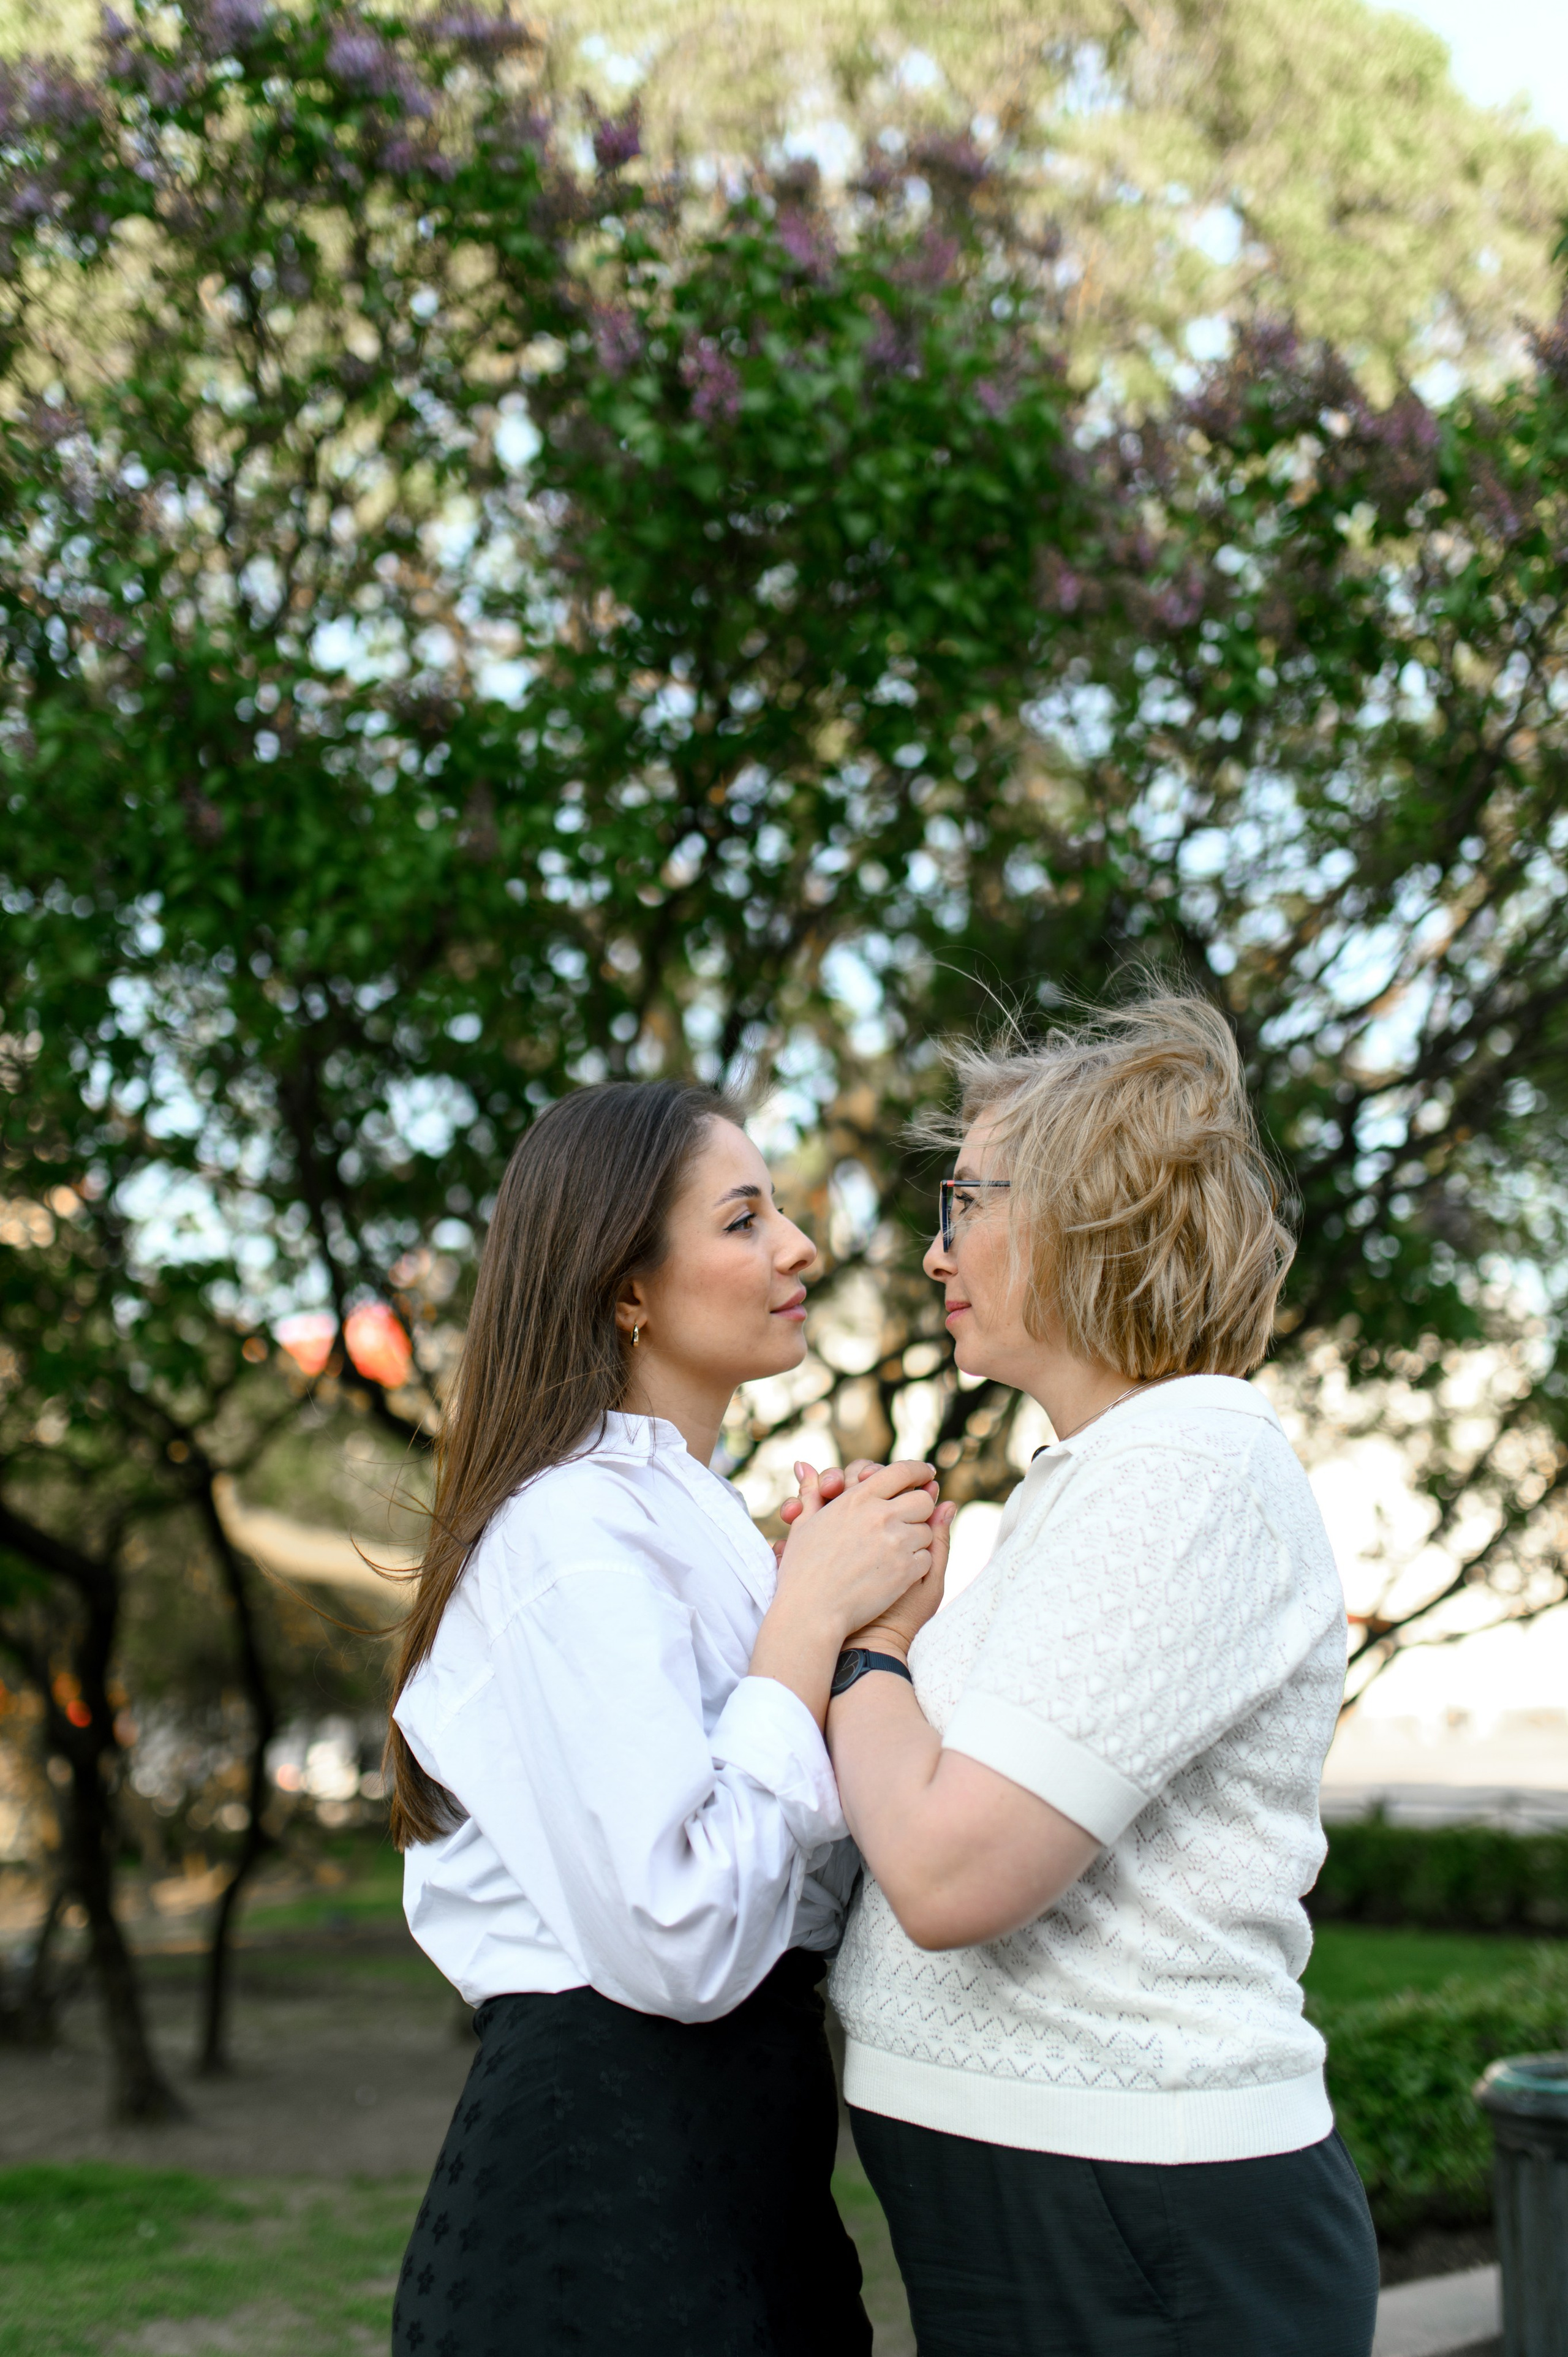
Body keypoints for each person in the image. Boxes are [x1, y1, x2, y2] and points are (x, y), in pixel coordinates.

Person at [800, 992, 1379, 2357]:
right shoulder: (1098, 1476)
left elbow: (951, 1873)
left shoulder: (1188, 1471)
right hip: (1067, 2204)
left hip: (1140, 2221)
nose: (934, 1253)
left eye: (962, 1204)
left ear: (1084, 1212)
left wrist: (866, 1644)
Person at [385, 1077, 952, 2357]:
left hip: (740, 2172)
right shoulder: (569, 1528)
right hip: (600, 2201)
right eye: (743, 1219)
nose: (796, 1246)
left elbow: (818, 1890)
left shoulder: (695, 1524)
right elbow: (681, 1936)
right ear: (625, 1285)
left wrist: (872, 1638)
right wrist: (805, 1627)